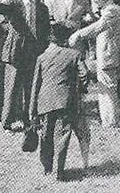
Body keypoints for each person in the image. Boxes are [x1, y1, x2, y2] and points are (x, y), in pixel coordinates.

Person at [0, 0, 50, 132]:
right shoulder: (15, 3)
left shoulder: (42, 8)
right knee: (12, 88)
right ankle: (7, 123)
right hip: (15, 51)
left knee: (30, 88)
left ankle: (29, 121)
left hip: (33, 52)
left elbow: (46, 30)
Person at [30, 23, 90, 180]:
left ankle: (47, 167)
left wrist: (32, 111)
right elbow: (85, 74)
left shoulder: (41, 58)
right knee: (62, 135)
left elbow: (35, 86)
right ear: (65, 38)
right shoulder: (74, 55)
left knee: (46, 135)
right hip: (65, 101)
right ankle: (59, 171)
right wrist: (80, 90)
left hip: (45, 102)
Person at [68, 0, 120, 128]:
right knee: (108, 87)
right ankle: (110, 120)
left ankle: (110, 123)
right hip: (112, 54)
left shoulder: (112, 11)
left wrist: (78, 34)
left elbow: (98, 26)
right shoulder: (112, 9)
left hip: (110, 55)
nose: (94, 1)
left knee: (107, 88)